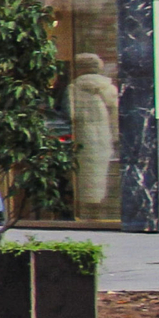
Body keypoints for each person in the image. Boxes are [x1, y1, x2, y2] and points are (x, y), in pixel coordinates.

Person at [68, 53, 119, 217]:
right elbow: (115, 114)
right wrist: (115, 135)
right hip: (104, 135)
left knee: (84, 172)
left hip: (83, 135)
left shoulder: (73, 88)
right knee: (101, 172)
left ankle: (85, 208)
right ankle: (98, 207)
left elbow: (70, 114)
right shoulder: (108, 88)